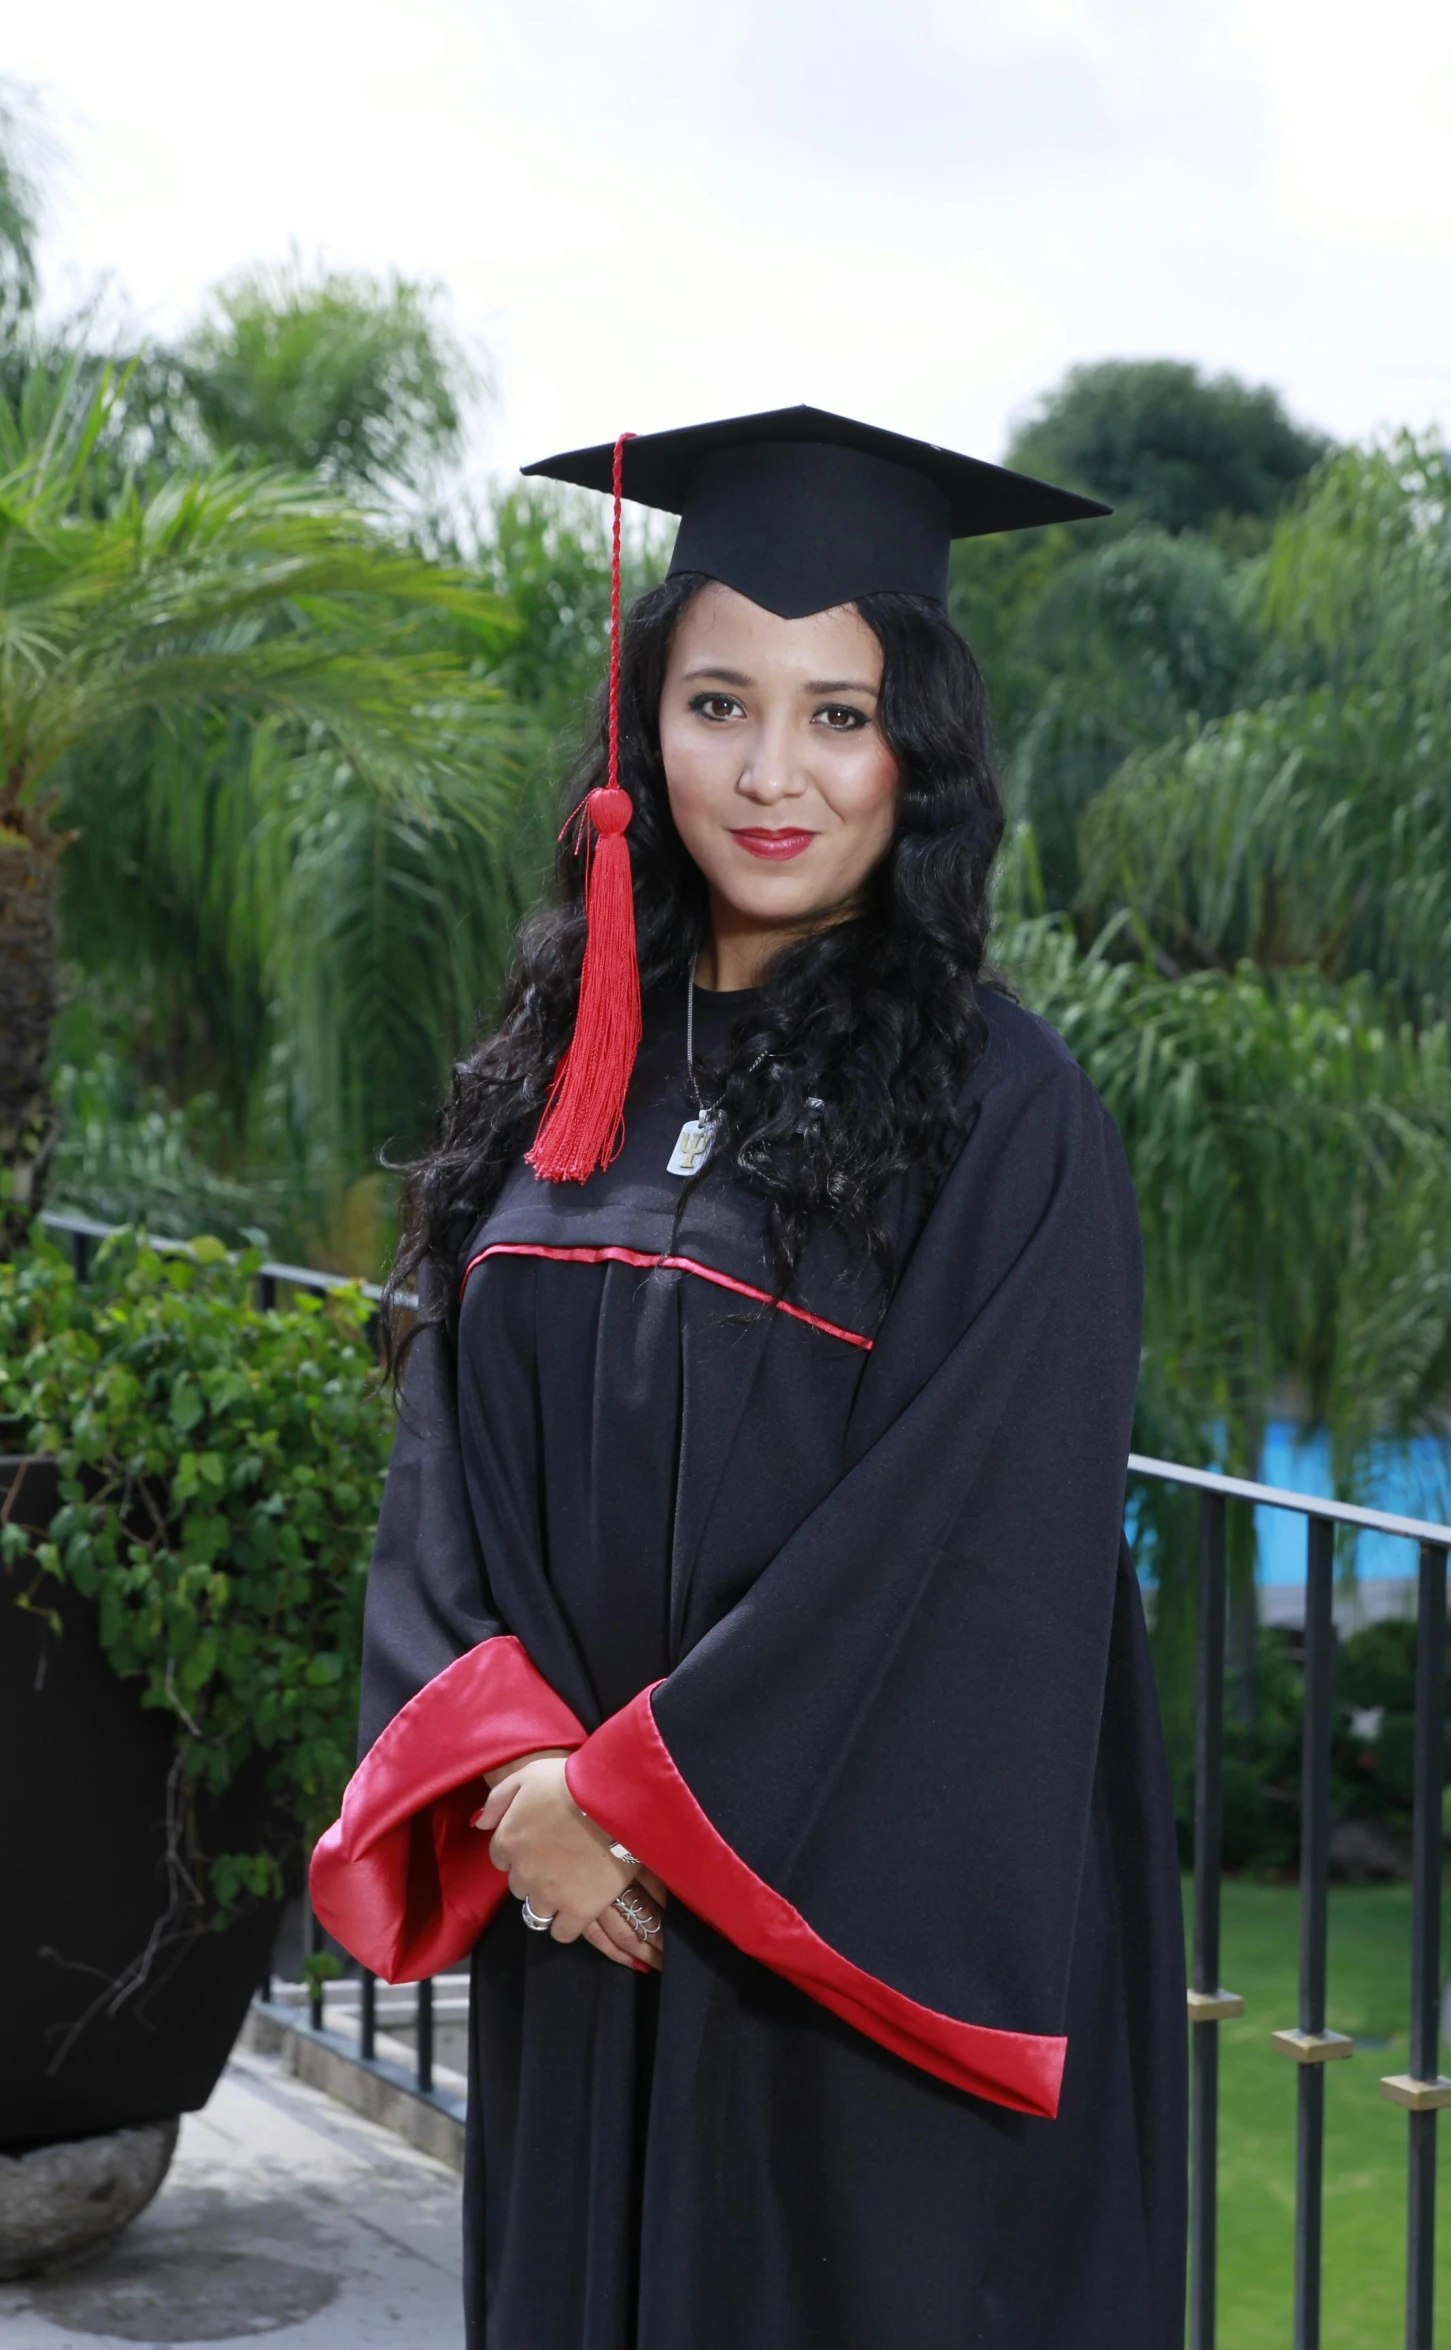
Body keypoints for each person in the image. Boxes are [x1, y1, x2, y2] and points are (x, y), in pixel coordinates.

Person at [311, 406, 1187, 2349]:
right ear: (642, 736)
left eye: (841, 715)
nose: (773, 773)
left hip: (847, 1962)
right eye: (719, 703)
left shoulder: (1004, 1110)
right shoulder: (567, 1071)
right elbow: (447, 1445)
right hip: (590, 1920)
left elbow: (963, 1540)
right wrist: (519, 1770)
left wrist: (635, 1791)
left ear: (921, 756)